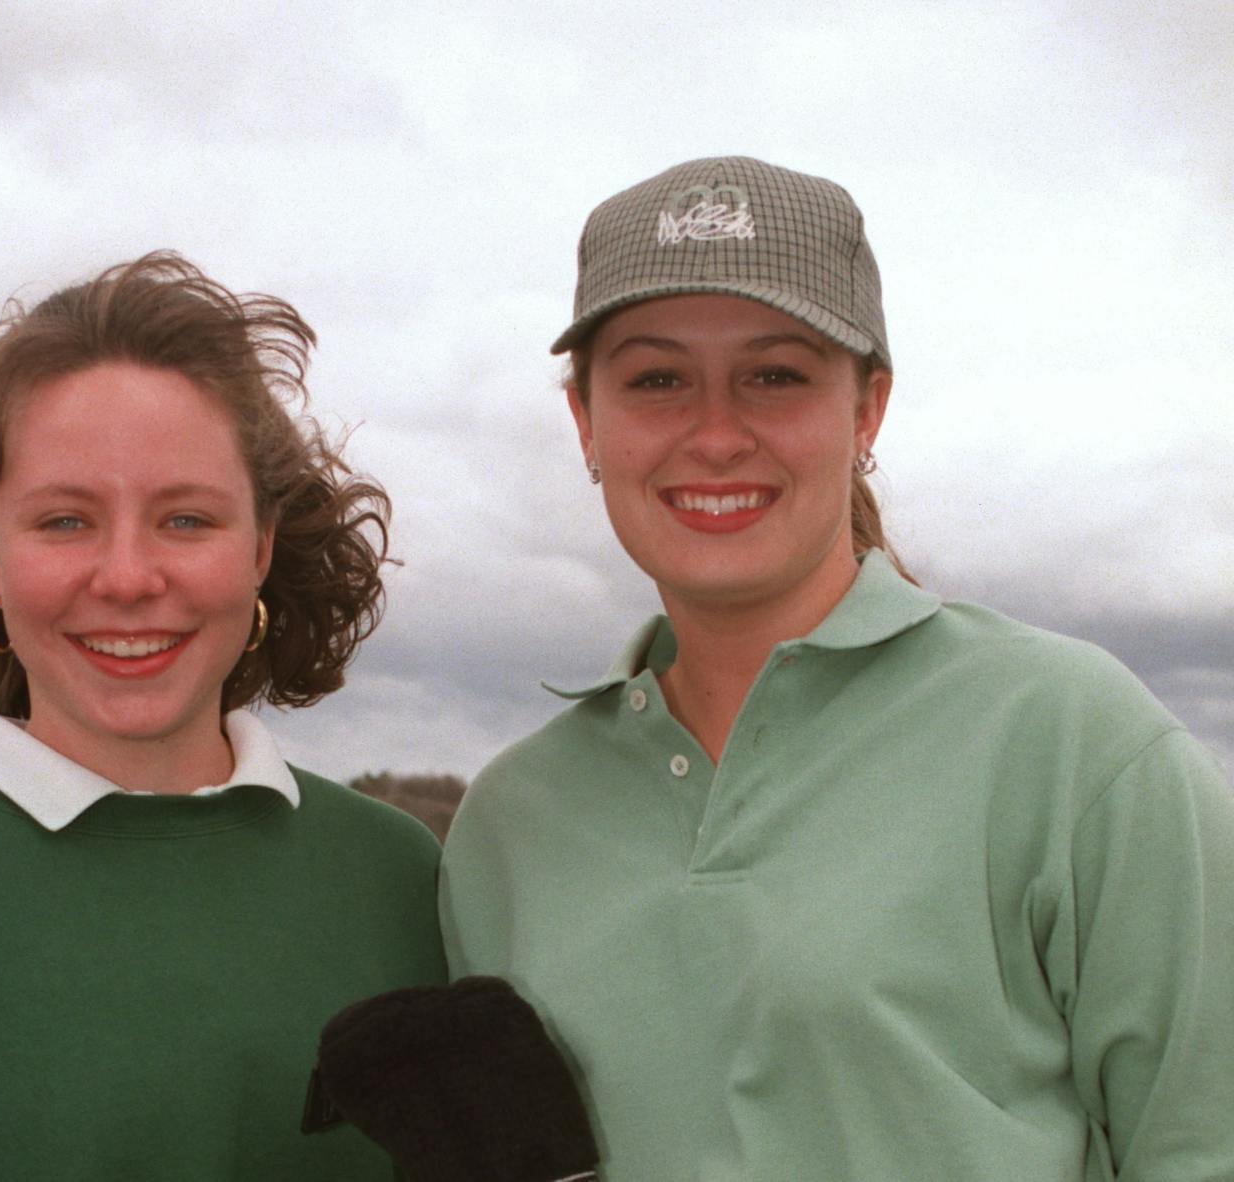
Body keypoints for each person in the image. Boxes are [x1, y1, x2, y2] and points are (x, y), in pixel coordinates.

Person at [438, 157, 1234, 1180]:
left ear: (865, 410)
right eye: (654, 379)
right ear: (586, 423)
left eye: (775, 374)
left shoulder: (1074, 743)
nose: (715, 434)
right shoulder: (508, 825)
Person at [0, 252, 445, 1180]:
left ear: (261, 546)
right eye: (65, 521)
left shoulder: (402, 881)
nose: (127, 578)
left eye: (186, 520)